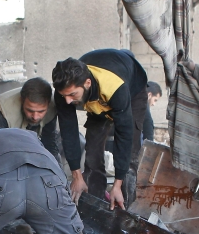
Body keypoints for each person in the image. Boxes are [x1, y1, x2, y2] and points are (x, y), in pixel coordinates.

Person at [53, 49, 149, 210]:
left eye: (72, 95)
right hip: (96, 94)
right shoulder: (64, 92)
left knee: (130, 152)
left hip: (132, 90)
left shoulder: (115, 87)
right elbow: (68, 132)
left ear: (87, 83)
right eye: (64, 96)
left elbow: (123, 136)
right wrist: (77, 176)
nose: (68, 101)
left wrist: (117, 183)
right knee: (93, 152)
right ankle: (94, 206)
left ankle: (122, 205)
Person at [0, 77, 62, 164]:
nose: (35, 117)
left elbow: (49, 141)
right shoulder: (3, 110)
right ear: (21, 100)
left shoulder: (53, 105)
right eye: (30, 110)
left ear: (48, 104)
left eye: (41, 111)